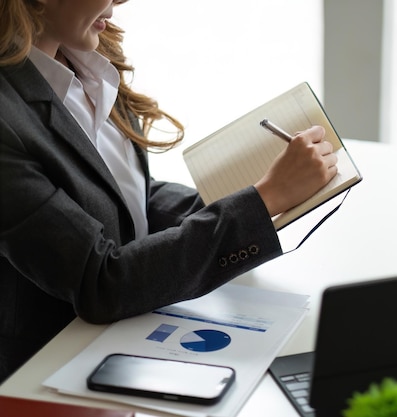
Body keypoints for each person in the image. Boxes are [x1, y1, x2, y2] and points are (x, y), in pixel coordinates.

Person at [0, 0, 338, 383]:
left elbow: (129, 199)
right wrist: (263, 200)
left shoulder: (88, 62)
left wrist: (251, 192)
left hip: (125, 344)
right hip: (48, 375)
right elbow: (100, 283)